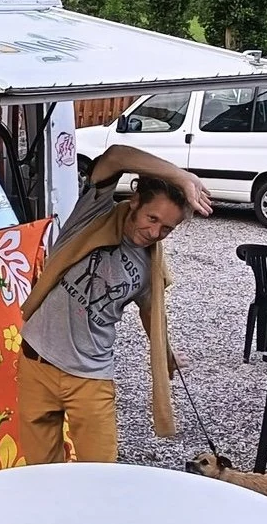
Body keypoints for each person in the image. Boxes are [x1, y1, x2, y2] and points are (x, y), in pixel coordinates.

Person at [15, 144, 211, 465]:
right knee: (40, 476)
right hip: (37, 364)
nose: (154, 232)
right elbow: (116, 156)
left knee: (102, 474)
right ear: (134, 201)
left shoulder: (150, 266)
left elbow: (152, 314)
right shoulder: (92, 215)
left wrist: (166, 353)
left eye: (166, 229)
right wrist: (181, 176)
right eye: (152, 218)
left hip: (90, 378)